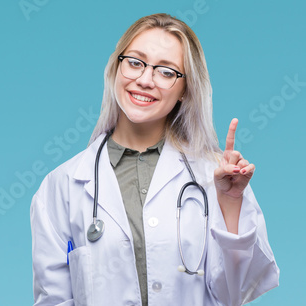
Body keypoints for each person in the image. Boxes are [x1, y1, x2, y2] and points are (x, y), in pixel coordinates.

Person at [30, 13, 279, 306]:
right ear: (115, 69)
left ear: (185, 90)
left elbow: (234, 294)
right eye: (135, 62)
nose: (145, 80)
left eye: (166, 71)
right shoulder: (62, 186)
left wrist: (231, 201)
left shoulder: (217, 177)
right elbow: (54, 300)